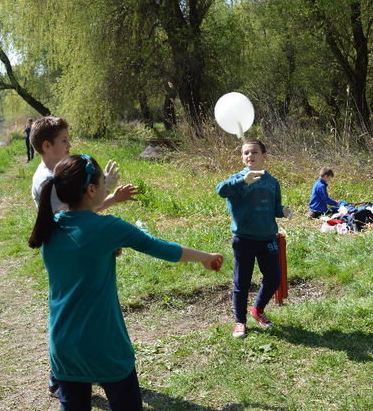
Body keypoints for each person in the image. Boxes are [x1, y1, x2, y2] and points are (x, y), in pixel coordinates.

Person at [29, 154, 223, 411]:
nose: (104, 186)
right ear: (90, 190)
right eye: (102, 182)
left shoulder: (49, 226)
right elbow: (162, 248)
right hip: (105, 345)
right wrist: (205, 258)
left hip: (63, 347)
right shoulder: (110, 228)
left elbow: (80, 228)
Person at [28, 116, 139, 397]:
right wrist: (106, 202)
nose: (68, 146)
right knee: (73, 311)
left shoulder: (56, 176)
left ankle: (68, 376)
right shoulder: (49, 181)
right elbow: (79, 217)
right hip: (72, 254)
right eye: (64, 141)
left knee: (70, 310)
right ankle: (62, 378)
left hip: (73, 252)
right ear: (46, 145)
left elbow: (82, 213)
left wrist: (108, 195)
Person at [216, 138, 292, 338]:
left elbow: (274, 207)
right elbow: (220, 190)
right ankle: (240, 321)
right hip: (244, 239)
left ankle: (258, 309)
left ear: (264, 156)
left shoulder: (272, 182)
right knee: (242, 282)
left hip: (268, 238)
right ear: (242, 157)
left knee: (274, 278)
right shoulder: (236, 180)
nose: (250, 156)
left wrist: (282, 211)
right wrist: (242, 181)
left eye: (255, 152)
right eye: (246, 153)